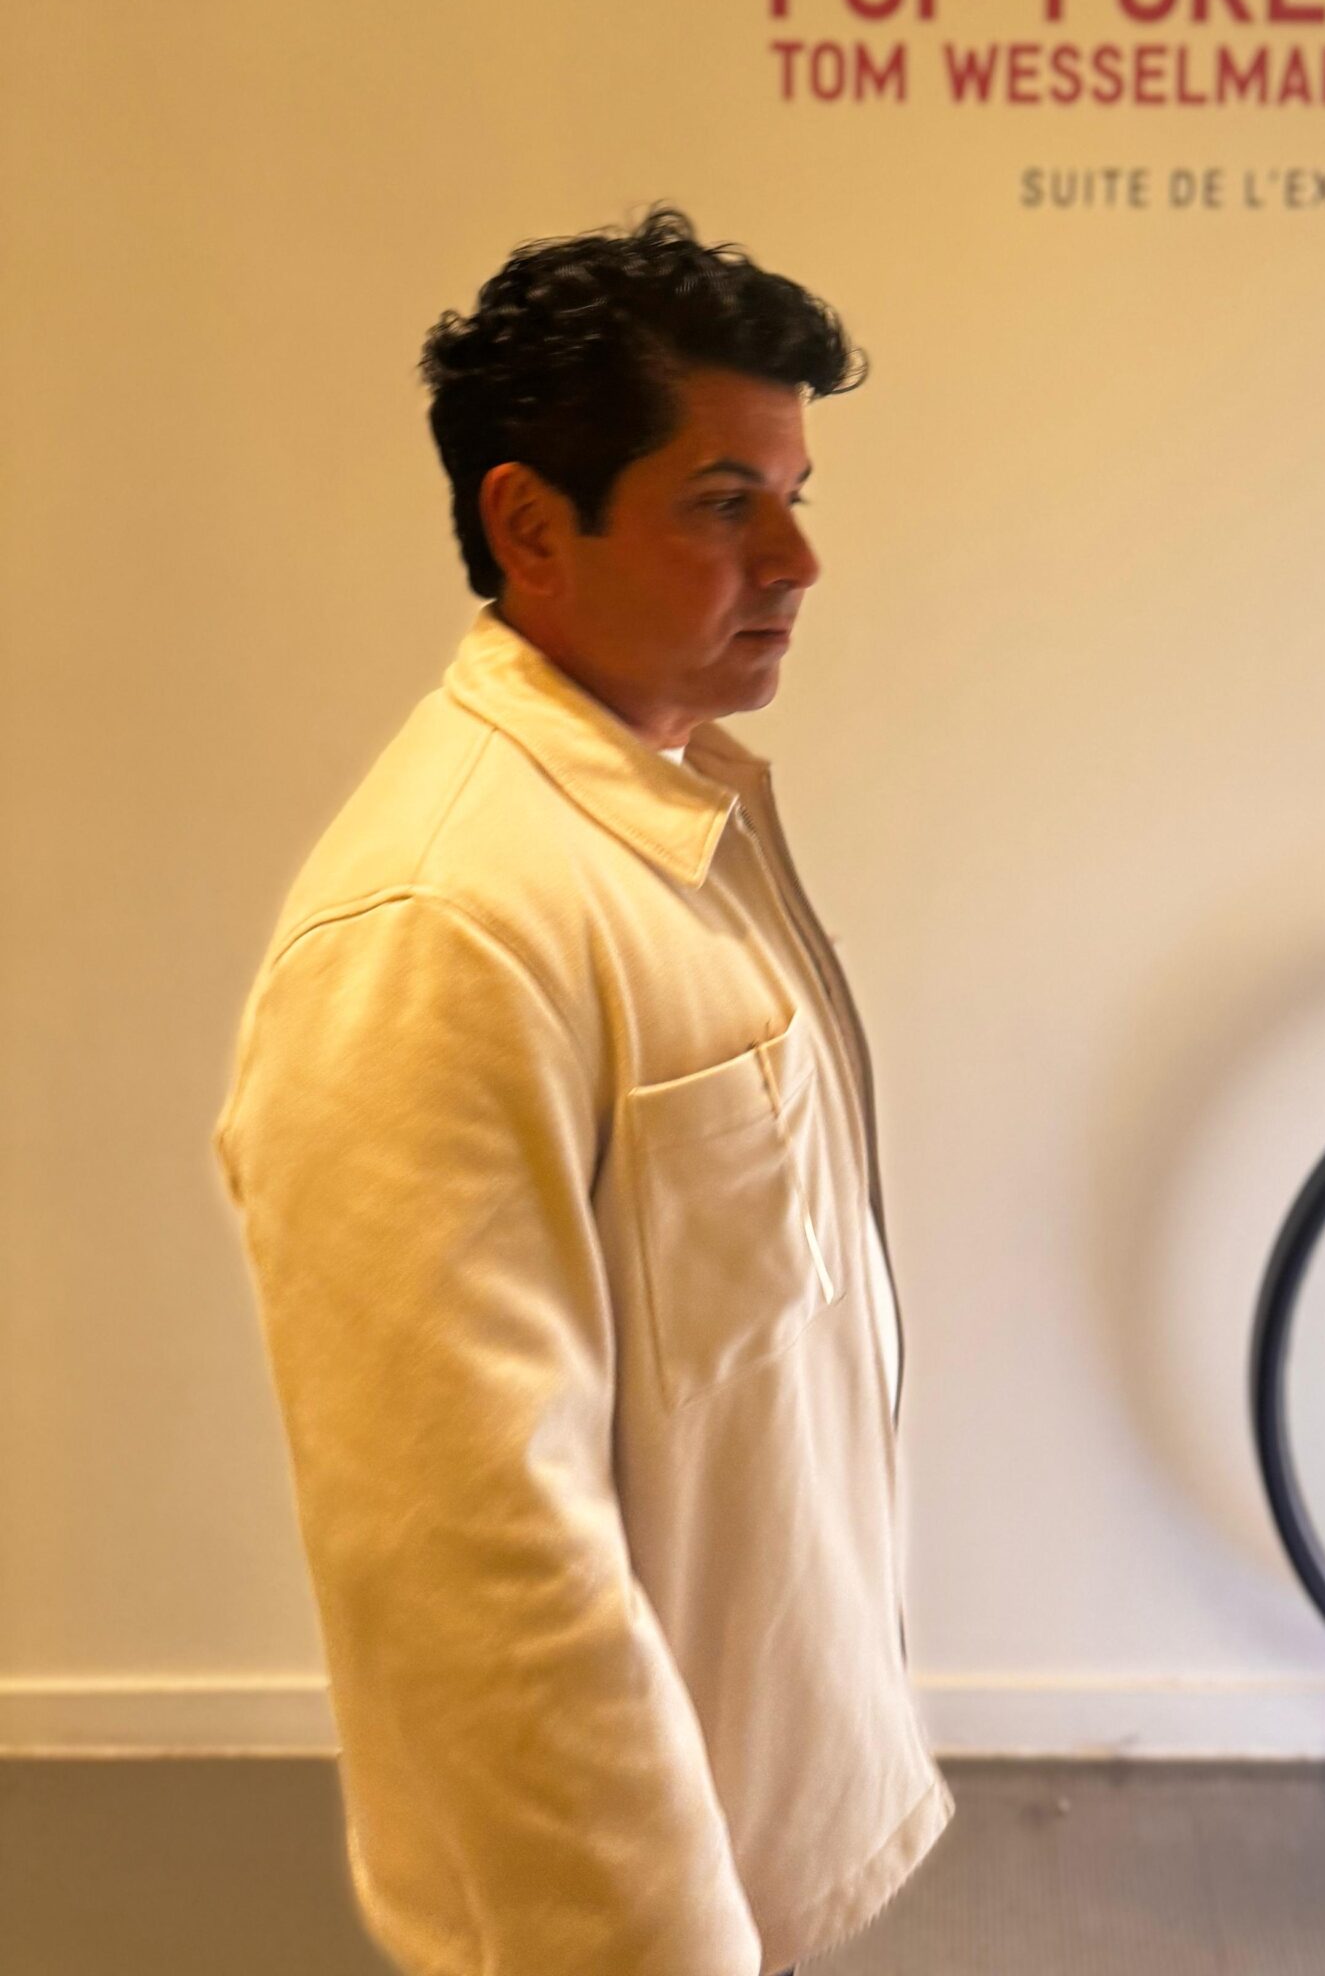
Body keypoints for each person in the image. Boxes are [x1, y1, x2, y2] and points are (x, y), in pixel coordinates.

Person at [213, 208, 952, 1976]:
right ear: (531, 525)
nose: (798, 558)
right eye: (725, 502)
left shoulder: (658, 824)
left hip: (751, 1836)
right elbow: (476, 1564)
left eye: (797, 494)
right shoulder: (440, 929)